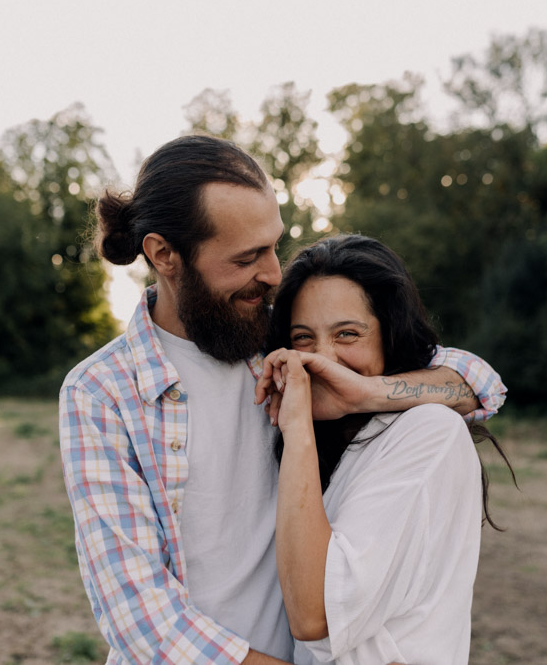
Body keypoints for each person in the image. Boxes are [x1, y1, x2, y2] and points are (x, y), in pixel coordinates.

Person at [58, 135, 507, 664]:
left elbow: (479, 383)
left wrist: (368, 391)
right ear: (164, 255)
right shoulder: (101, 392)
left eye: (274, 245)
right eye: (248, 256)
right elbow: (140, 617)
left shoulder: (284, 342)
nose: (273, 273)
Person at [266, 234, 512, 665]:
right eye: (303, 338)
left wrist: (359, 394)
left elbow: (314, 616)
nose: (322, 358)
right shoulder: (318, 440)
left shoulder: (426, 430)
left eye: (348, 334)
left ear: (389, 335)